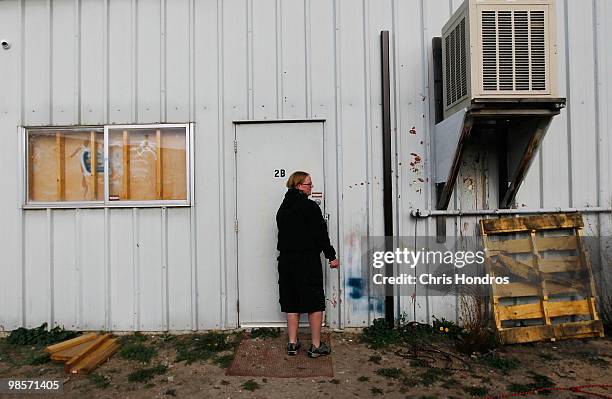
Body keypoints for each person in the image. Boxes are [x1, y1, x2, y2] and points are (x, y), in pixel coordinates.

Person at [276, 171, 340, 358]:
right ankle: (315, 346)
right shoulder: (309, 206)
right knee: (314, 301)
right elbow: (320, 235)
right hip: (307, 261)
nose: (311, 188)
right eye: (308, 185)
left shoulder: (283, 208)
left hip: (286, 262)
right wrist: (331, 256)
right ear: (298, 186)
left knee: (291, 300)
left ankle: (293, 343)